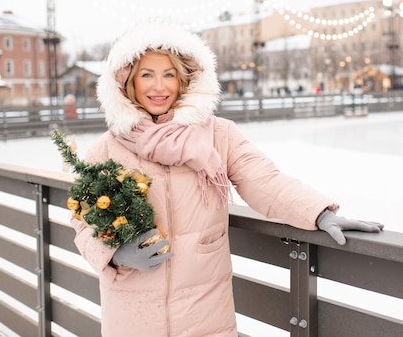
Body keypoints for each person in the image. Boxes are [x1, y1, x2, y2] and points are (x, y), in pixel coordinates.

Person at [71, 20, 384, 336]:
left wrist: (318, 212)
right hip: (132, 315)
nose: (159, 87)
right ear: (128, 82)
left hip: (204, 314)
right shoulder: (107, 147)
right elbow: (82, 219)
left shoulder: (218, 135)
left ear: (185, 80)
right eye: (147, 75)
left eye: (169, 75)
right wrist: (115, 254)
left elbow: (264, 180)